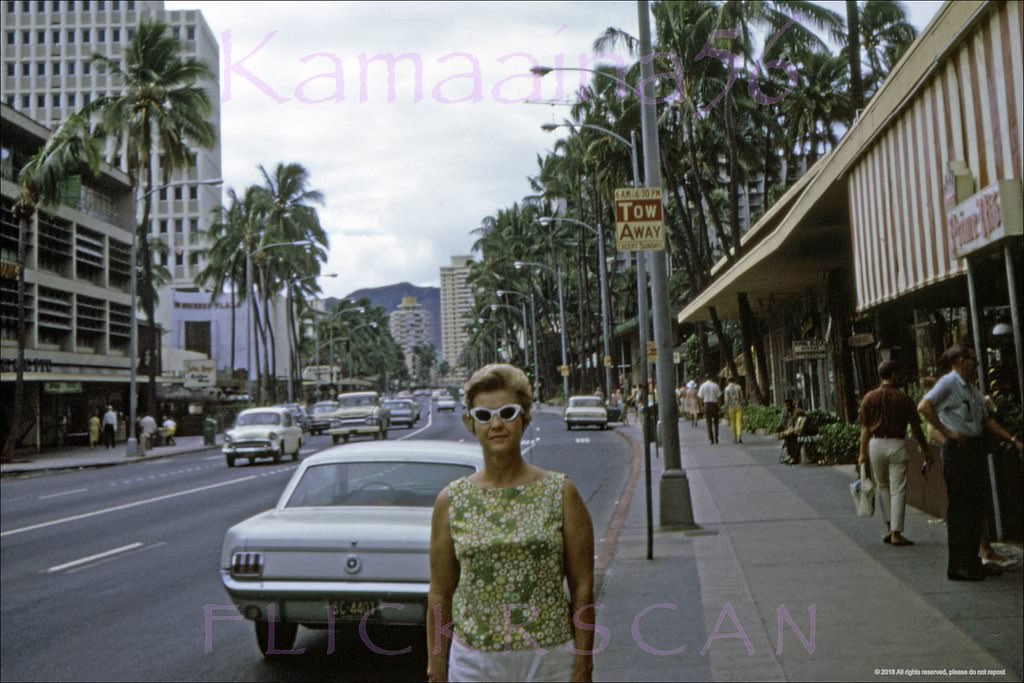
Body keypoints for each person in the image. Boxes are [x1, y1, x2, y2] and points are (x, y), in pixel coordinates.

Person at [428, 364, 595, 682]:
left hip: (550, 659)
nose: (496, 424)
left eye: (507, 412)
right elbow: (439, 592)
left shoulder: (561, 493)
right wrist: (436, 667)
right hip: (475, 662)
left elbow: (582, 586)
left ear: (525, 417)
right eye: (483, 416)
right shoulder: (451, 501)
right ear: (471, 424)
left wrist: (583, 665)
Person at [918, 345, 1024, 581]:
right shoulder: (948, 383)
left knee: (975, 507)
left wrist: (1013, 439)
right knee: (962, 508)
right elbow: (924, 407)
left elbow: (986, 421)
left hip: (974, 448)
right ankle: (958, 565)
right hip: (959, 450)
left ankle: (971, 560)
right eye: (971, 359)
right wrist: (948, 432)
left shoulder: (972, 389)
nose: (975, 363)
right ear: (958, 361)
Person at [857, 360, 930, 546]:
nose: (902, 377)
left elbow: (865, 428)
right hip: (897, 443)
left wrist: (862, 453)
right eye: (899, 374)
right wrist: (926, 450)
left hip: (875, 444)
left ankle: (889, 528)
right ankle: (897, 532)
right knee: (898, 489)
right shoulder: (903, 398)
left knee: (883, 487)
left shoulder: (869, 398)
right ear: (893, 375)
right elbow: (916, 428)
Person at [777, 399, 806, 464]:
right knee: (787, 436)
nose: (786, 408)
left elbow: (799, 424)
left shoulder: (797, 412)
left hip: (802, 430)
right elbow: (790, 423)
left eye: (787, 406)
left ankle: (795, 457)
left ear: (791, 404)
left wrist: (790, 430)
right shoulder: (790, 412)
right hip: (797, 430)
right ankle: (791, 455)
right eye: (785, 406)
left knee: (791, 437)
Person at [697, 373, 722, 444]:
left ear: (705, 378)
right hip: (714, 404)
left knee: (709, 422)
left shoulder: (702, 386)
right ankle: (716, 436)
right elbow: (719, 396)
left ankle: (711, 438)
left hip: (707, 404)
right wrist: (719, 405)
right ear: (711, 378)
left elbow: (700, 397)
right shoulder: (715, 385)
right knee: (716, 422)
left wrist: (701, 406)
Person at [722, 377, 745, 444]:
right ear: (734, 380)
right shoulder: (739, 387)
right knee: (739, 422)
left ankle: (734, 438)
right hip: (739, 406)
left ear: (728, 381)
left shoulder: (727, 389)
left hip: (731, 407)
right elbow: (742, 397)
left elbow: (726, 400)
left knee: (733, 423)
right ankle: (739, 437)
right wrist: (743, 405)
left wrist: (725, 407)